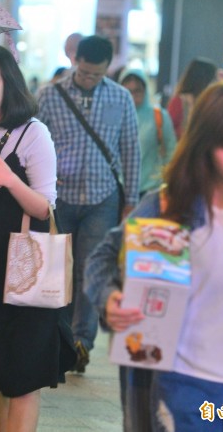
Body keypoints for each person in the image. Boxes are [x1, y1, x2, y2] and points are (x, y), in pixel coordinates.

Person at [86, 82, 223, 431]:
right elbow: (103, 257)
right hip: (187, 386)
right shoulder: (168, 206)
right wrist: (110, 299)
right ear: (204, 144)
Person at [0, 44, 76, 432]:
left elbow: (45, 207)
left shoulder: (32, 134)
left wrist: (6, 179)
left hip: (25, 265)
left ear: (8, 86)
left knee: (23, 376)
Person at [36, 34, 140, 373]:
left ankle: (82, 342)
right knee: (57, 269)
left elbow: (130, 151)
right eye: (83, 72)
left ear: (107, 68)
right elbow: (35, 144)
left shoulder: (121, 98)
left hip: (102, 197)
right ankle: (59, 338)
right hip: (60, 197)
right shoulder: (50, 95)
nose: (89, 78)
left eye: (96, 74)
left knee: (90, 270)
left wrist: (132, 201)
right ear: (74, 61)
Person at [119, 68, 176, 196]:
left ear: (145, 90)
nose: (132, 96)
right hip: (120, 187)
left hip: (151, 188)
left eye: (137, 91)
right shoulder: (115, 116)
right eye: (128, 91)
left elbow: (171, 151)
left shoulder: (159, 115)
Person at [166, 57, 218, 139]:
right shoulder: (180, 101)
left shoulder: (210, 100)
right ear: (204, 79)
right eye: (213, 78)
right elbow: (168, 129)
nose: (215, 82)